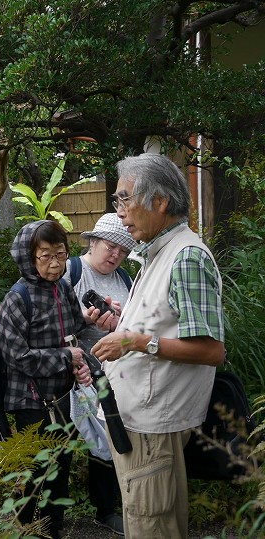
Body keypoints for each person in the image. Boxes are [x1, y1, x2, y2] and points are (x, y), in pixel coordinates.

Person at [90, 153, 225, 539]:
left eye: (124, 199)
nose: (120, 213)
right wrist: (122, 327)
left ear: (160, 202)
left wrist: (134, 341)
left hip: (153, 422)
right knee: (150, 518)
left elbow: (211, 350)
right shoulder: (158, 252)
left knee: (152, 525)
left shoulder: (185, 256)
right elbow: (166, 326)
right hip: (138, 418)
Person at [0, 219, 92, 539]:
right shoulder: (17, 297)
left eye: (61, 254)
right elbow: (16, 356)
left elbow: (77, 331)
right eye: (46, 256)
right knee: (35, 470)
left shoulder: (63, 287)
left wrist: (85, 353)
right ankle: (25, 529)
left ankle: (54, 529)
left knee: (61, 465)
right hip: (31, 400)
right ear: (28, 257)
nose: (55, 263)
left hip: (64, 397)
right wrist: (66, 358)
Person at [62, 212, 136, 536]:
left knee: (109, 441)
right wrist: (83, 319)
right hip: (67, 374)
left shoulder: (127, 280)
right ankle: (51, 518)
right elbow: (48, 317)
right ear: (92, 241)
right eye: (109, 246)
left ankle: (106, 510)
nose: (115, 254)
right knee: (59, 444)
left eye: (122, 249)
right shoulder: (70, 271)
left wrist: (118, 322)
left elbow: (134, 328)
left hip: (110, 375)